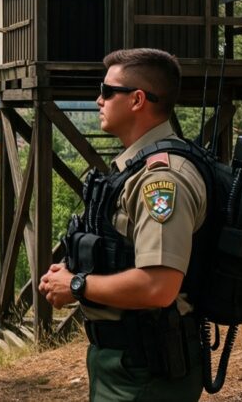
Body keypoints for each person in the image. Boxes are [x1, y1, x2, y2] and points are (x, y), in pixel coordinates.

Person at [37, 48, 207, 401]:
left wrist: (78, 285)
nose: (98, 99)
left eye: (107, 90)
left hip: (146, 370)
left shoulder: (161, 181)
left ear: (137, 100)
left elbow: (159, 286)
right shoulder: (136, 169)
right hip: (128, 364)